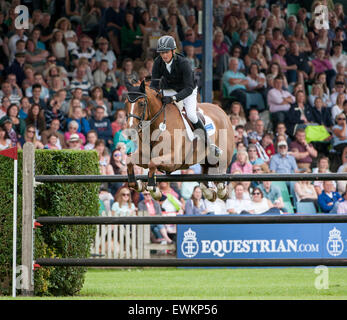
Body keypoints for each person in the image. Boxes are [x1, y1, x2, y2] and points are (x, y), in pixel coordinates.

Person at [150, 35, 221, 157]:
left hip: (187, 90)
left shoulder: (184, 63)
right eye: (161, 53)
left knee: (192, 115)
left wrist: (174, 98)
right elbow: (154, 83)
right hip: (168, 89)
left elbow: (188, 88)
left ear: (173, 51)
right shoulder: (158, 62)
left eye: (166, 52)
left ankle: (209, 144)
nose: (164, 55)